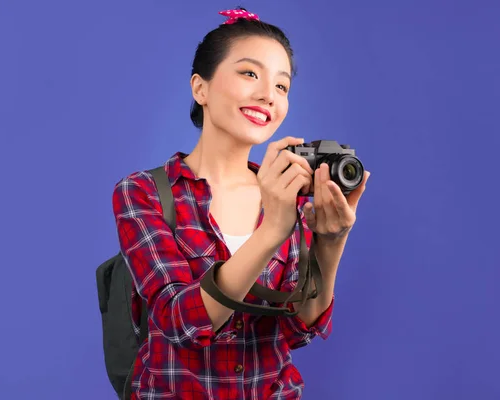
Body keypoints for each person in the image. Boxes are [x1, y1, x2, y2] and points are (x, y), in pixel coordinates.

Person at [111, 8, 371, 400]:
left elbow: (299, 329)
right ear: (201, 88)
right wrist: (272, 230)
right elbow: (181, 323)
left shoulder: (290, 193)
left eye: (282, 86)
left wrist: (332, 241)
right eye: (250, 73)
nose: (269, 95)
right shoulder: (143, 193)